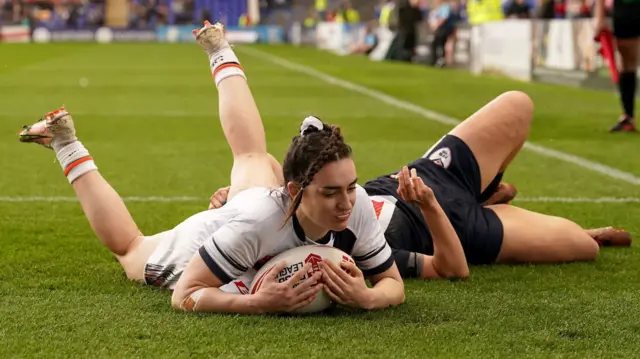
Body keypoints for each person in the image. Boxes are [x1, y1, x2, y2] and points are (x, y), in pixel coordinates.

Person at [17, 21, 419, 315]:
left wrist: (366, 297)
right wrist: (255, 302)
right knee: (129, 249)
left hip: (254, 209)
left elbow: (392, 286)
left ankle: (218, 47)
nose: (347, 201)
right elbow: (185, 295)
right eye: (331, 193)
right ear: (295, 190)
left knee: (252, 158)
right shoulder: (261, 222)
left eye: (349, 186)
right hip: (207, 240)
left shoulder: (356, 203)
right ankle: (66, 143)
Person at [210, 91, 632, 280]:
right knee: (584, 247)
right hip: (456, 228)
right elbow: (449, 268)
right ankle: (486, 206)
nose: (343, 204)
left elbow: (262, 162)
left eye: (345, 191)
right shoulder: (349, 259)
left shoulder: (277, 207)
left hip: (418, 177)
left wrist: (232, 203)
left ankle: (484, 193)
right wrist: (430, 206)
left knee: (518, 105)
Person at [594, 0, 640, 132]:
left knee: (628, 63)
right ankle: (628, 117)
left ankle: (628, 118)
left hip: (627, 11)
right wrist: (600, 18)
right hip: (626, 10)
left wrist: (600, 18)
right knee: (628, 63)